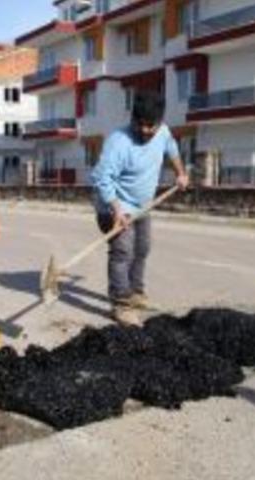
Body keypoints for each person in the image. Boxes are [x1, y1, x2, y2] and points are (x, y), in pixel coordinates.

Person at [90, 91, 190, 325]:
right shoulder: (118, 142)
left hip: (142, 206)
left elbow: (172, 149)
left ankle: (135, 291)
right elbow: (102, 179)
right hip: (111, 204)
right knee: (123, 251)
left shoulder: (163, 132)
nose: (145, 130)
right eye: (140, 124)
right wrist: (116, 210)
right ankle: (120, 304)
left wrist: (181, 173)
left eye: (150, 126)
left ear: (159, 123)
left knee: (142, 248)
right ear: (132, 118)